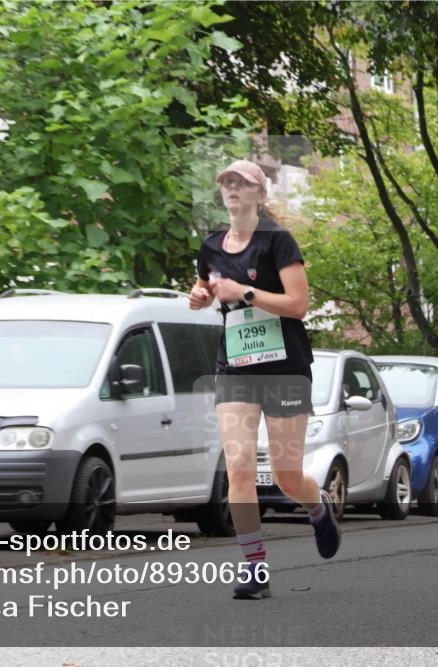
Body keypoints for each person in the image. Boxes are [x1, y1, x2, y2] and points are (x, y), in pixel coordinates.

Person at [189, 159, 340, 600]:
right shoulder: (212, 245)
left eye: (242, 184)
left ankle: (317, 506)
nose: (233, 189)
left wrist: (246, 292)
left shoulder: (278, 241)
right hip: (235, 367)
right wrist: (199, 296)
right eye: (227, 184)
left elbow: (298, 304)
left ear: (259, 194)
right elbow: (205, 287)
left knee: (286, 474)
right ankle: (255, 567)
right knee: (238, 468)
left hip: (284, 369)